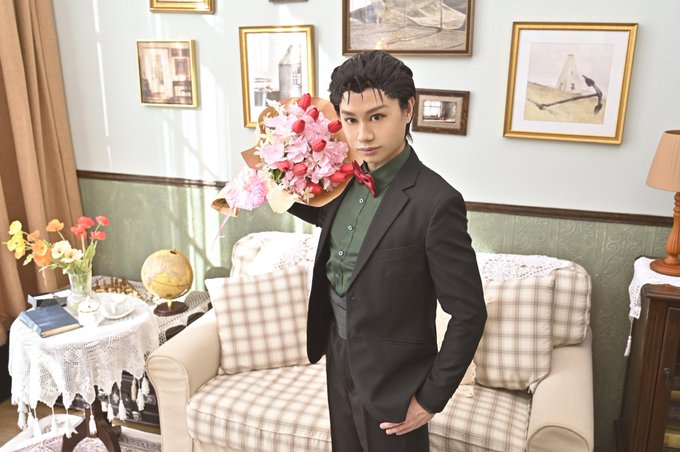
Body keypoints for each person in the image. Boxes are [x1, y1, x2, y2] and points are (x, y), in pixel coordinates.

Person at [288, 50, 486, 452]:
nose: (363, 136)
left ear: (408, 109)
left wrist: (430, 399)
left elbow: (469, 314)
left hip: (394, 379)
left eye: (377, 117)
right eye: (351, 120)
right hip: (337, 353)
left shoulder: (438, 203)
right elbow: (325, 219)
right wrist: (274, 172)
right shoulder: (338, 178)